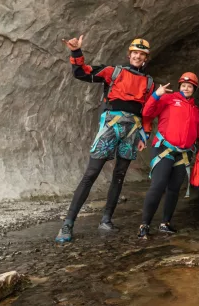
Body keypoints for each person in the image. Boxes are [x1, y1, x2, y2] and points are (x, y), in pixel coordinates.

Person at [55, 35, 154, 243]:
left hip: (132, 130)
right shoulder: (114, 72)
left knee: (119, 174)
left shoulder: (149, 82)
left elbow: (147, 111)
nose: (137, 56)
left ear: (145, 58)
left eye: (141, 54)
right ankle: (68, 223)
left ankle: (106, 219)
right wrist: (76, 52)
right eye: (135, 53)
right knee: (91, 172)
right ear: (130, 54)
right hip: (111, 125)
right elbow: (82, 73)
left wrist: (145, 134)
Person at [138, 73, 199, 238]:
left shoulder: (195, 108)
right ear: (180, 87)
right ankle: (145, 224)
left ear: (194, 89)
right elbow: (147, 112)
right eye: (184, 85)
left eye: (190, 86)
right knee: (158, 185)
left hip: (183, 153)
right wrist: (157, 95)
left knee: (174, 189)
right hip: (164, 148)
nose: (186, 88)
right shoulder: (168, 99)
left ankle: (165, 223)